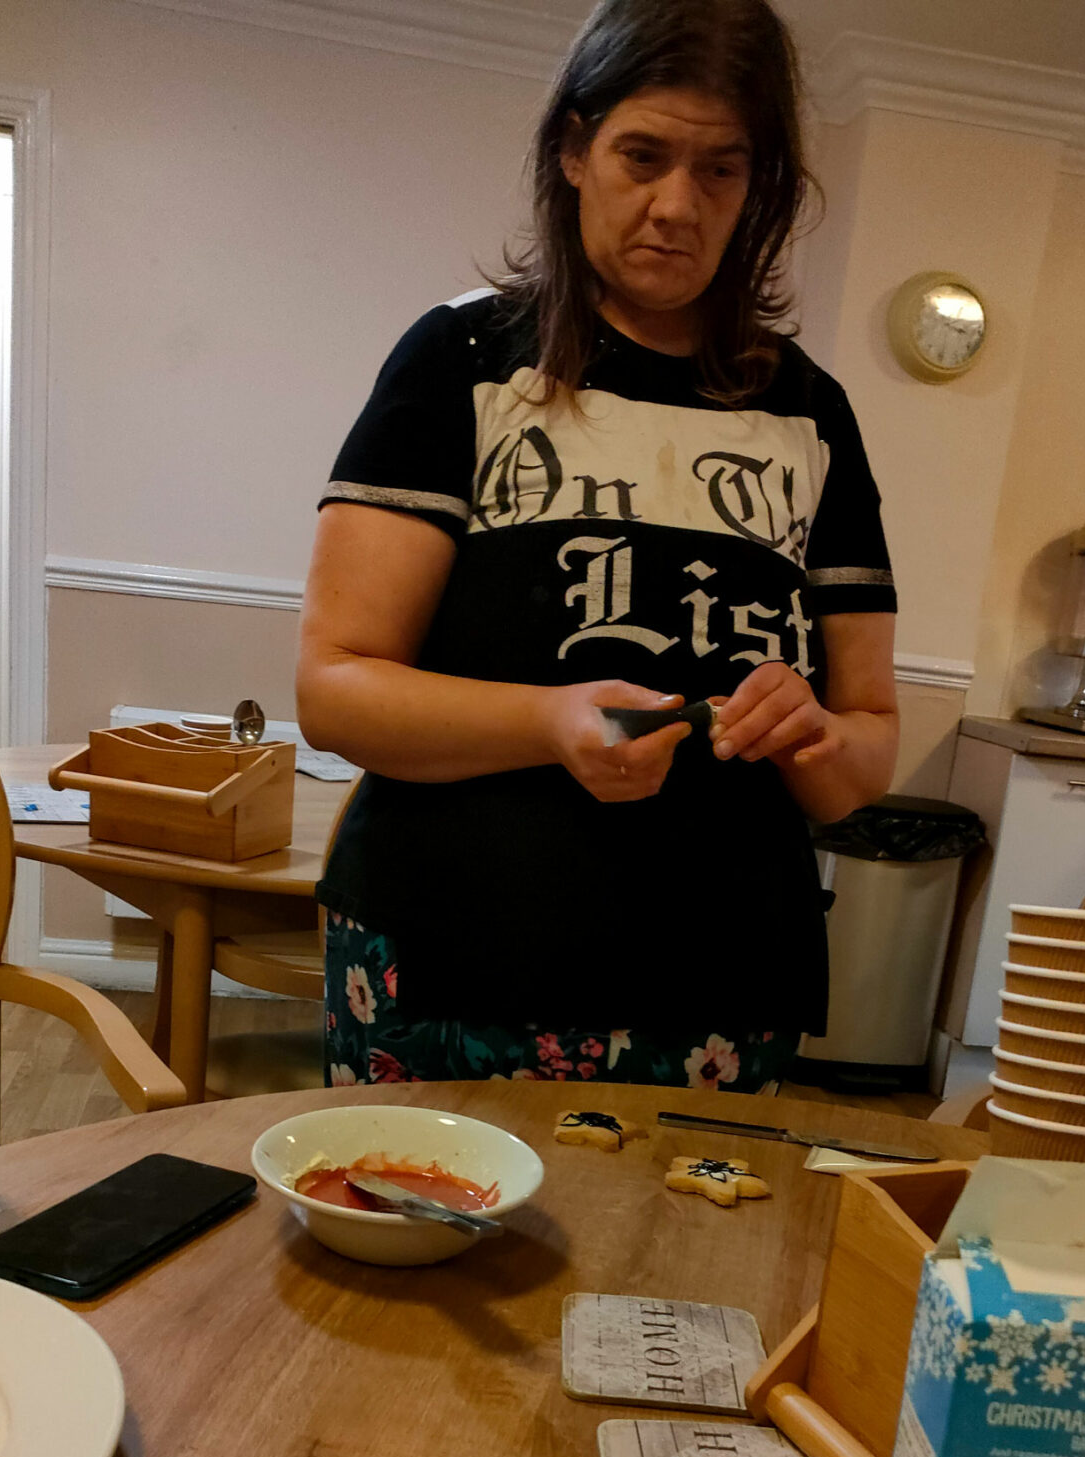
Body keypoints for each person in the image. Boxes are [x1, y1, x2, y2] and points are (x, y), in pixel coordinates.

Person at [297, 0, 899, 1092]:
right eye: (643, 155)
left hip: (725, 983)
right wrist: (548, 720)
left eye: (721, 170)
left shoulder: (812, 413)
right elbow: (335, 690)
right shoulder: (463, 359)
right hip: (451, 966)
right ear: (574, 150)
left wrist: (814, 736)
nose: (677, 206)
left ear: (761, 186)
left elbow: (863, 760)